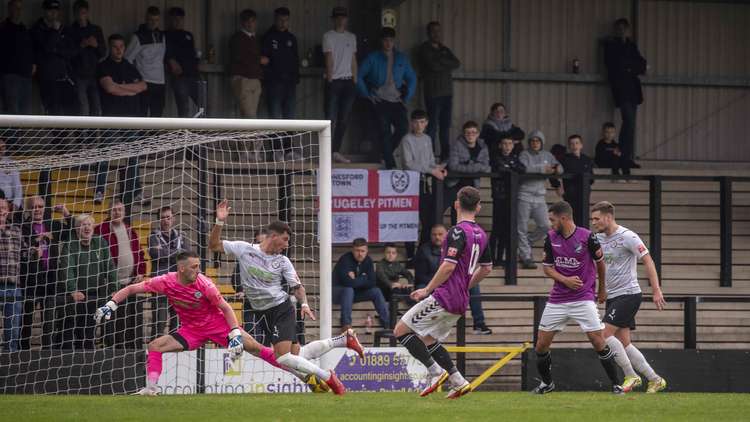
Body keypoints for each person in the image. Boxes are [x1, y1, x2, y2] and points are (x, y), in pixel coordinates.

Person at [210, 202, 362, 395]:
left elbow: (297, 287)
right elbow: (213, 245)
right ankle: (342, 340)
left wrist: (304, 303)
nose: (287, 245)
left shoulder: (283, 261)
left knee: (282, 358)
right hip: (259, 310)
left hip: (281, 309)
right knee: (297, 356)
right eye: (285, 239)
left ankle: (328, 377)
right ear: (273, 236)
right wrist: (219, 222)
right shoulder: (244, 249)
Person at [394, 186, 493, 399]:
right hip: (461, 299)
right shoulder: (482, 234)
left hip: (444, 296)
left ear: (456, 204)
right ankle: (459, 381)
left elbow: (448, 266)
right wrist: (465, 285)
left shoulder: (457, 232)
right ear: (478, 207)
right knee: (428, 338)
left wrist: (427, 289)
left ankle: (435, 371)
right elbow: (487, 267)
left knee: (400, 331)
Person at [532, 201, 622, 395]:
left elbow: (601, 264)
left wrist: (602, 289)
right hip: (558, 299)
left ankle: (616, 384)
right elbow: (547, 268)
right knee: (540, 345)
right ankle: (547, 384)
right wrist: (565, 279)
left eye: (552, 219)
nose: (550, 223)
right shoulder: (551, 238)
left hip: (583, 297)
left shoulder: (587, 237)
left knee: (598, 341)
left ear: (563, 218)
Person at [591, 201, 668, 394]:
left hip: (629, 294)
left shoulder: (628, 236)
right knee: (624, 344)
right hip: (613, 296)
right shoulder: (598, 239)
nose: (594, 223)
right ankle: (655, 379)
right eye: (593, 219)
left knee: (603, 335)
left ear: (608, 217)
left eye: (597, 219)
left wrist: (656, 289)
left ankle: (630, 376)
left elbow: (648, 261)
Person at [96, 34, 147, 205]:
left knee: (133, 155)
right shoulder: (103, 66)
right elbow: (110, 88)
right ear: (110, 48)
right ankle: (99, 189)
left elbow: (143, 86)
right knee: (106, 153)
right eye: (115, 47)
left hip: (131, 118)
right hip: (111, 117)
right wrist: (129, 89)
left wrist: (120, 87)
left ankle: (136, 191)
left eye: (121, 46)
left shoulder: (130, 66)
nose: (118, 50)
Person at [357, 27, 417, 169]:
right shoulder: (373, 57)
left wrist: (407, 97)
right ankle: (390, 164)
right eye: (385, 40)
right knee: (384, 131)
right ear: (381, 41)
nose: (388, 43)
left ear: (394, 41)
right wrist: (366, 94)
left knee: (403, 128)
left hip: (396, 100)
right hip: (380, 100)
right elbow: (358, 76)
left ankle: (385, 153)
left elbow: (412, 78)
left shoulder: (401, 58)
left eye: (391, 40)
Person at [20, 196, 73, 349]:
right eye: (34, 207)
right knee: (27, 317)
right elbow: (23, 247)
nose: (37, 209)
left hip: (50, 277)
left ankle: (46, 351)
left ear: (44, 208)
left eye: (40, 206)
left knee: (48, 319)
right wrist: (39, 239)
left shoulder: (52, 224)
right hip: (31, 278)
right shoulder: (23, 226)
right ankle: (23, 350)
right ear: (29, 209)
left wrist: (65, 212)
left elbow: (70, 231)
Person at [95, 200, 146, 349]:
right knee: (110, 318)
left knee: (127, 319)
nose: (117, 212)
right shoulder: (101, 229)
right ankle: (109, 347)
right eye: (114, 210)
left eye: (120, 210)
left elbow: (140, 254)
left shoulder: (130, 230)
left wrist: (141, 271)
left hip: (129, 283)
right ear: (108, 212)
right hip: (109, 283)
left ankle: (126, 349)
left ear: (124, 213)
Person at [60, 214, 117, 349]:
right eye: (82, 225)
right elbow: (67, 269)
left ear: (93, 227)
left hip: (94, 295)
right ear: (76, 229)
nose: (86, 228)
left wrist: (115, 287)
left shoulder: (100, 242)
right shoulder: (70, 245)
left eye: (89, 224)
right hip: (74, 297)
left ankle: (88, 360)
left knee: (89, 332)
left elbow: (110, 266)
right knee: (70, 331)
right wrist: (73, 290)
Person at [395, 109, 446, 257]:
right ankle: (410, 254)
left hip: (425, 184)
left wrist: (438, 168)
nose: (419, 125)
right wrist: (431, 171)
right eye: (416, 122)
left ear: (426, 123)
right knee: (411, 220)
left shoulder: (428, 139)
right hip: (410, 184)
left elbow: (430, 162)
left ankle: (422, 253)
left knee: (428, 220)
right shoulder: (406, 139)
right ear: (411, 123)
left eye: (422, 122)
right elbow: (408, 164)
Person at [604, 18, 646, 172]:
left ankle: (625, 157)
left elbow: (642, 64)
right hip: (622, 89)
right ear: (615, 30)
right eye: (618, 28)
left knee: (630, 125)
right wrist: (631, 67)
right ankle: (623, 157)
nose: (621, 31)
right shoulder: (611, 45)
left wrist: (630, 67)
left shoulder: (631, 45)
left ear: (627, 30)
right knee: (628, 122)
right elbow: (614, 65)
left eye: (624, 28)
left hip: (633, 90)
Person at [517, 130, 563, 269]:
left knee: (546, 225)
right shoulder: (524, 154)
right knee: (521, 228)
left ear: (541, 142)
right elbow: (524, 168)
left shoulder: (547, 155)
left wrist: (555, 169)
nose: (535, 143)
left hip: (540, 196)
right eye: (532, 141)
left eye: (538, 141)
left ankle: (526, 243)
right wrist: (543, 169)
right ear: (529, 142)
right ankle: (525, 256)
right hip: (524, 195)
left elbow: (559, 168)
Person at [416, 21, 460, 162]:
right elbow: (433, 65)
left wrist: (440, 60)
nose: (437, 34)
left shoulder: (444, 48)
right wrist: (443, 61)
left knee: (445, 126)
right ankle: (430, 155)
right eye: (434, 31)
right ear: (428, 33)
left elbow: (456, 63)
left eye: (438, 31)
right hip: (433, 93)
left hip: (447, 92)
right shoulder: (424, 48)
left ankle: (445, 156)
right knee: (432, 126)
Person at [148, 206, 190, 335]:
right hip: (160, 283)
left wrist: (166, 253)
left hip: (178, 283)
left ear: (173, 219)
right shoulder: (153, 236)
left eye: (168, 217)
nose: (166, 220)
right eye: (162, 218)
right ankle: (156, 350)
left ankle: (174, 349)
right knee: (159, 321)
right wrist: (176, 253)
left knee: (176, 319)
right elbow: (155, 254)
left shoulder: (181, 236)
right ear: (159, 220)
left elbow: (187, 255)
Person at [31, 0, 78, 116]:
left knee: (74, 110)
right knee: (54, 112)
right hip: (48, 79)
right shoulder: (37, 29)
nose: (53, 13)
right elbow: (47, 48)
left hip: (65, 77)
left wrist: (56, 51)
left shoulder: (65, 28)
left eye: (56, 11)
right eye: (50, 10)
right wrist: (55, 31)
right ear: (44, 11)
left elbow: (72, 51)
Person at [332, 238, 390, 331]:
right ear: (352, 250)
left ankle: (388, 324)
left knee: (376, 291)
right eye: (357, 251)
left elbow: (372, 282)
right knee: (348, 290)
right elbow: (347, 283)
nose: (360, 254)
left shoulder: (368, 261)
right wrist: (364, 278)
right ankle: (346, 325)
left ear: (367, 251)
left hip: (355, 294)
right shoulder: (345, 259)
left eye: (363, 251)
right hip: (337, 293)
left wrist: (357, 279)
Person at [323, 6, 357, 164]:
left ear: (346, 19)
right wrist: (330, 79)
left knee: (344, 119)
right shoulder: (328, 36)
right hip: (334, 81)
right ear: (333, 19)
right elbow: (328, 58)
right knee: (330, 118)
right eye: (337, 17)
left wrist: (355, 79)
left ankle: (335, 151)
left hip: (348, 81)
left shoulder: (351, 37)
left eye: (343, 17)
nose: (341, 19)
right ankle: (326, 151)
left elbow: (353, 59)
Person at [489, 136, 525, 267]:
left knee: (506, 229)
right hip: (499, 197)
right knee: (496, 228)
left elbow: (522, 169)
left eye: (510, 143)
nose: (507, 146)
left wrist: (509, 167)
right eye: (504, 143)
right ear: (500, 145)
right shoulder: (495, 157)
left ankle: (500, 257)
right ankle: (492, 257)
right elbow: (500, 169)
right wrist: (511, 168)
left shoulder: (515, 158)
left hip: (511, 197)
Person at [446, 121, 491, 224]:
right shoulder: (457, 145)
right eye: (468, 133)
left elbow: (487, 167)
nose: (471, 135)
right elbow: (453, 166)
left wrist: (467, 165)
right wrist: (476, 166)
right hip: (456, 184)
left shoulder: (483, 146)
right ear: (463, 133)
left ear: (478, 134)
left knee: (470, 214)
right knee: (456, 213)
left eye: (473, 132)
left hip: (473, 185)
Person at [125, 6, 166, 117]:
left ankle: (155, 135)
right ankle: (143, 135)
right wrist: (136, 78)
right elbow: (127, 59)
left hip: (160, 82)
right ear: (145, 19)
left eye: (156, 20)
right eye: (151, 20)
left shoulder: (162, 36)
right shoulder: (138, 36)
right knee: (142, 115)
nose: (153, 23)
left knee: (157, 116)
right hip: (144, 82)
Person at [229, 9, 266, 121]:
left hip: (255, 79)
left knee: (251, 113)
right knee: (249, 115)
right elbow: (239, 56)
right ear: (242, 22)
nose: (250, 24)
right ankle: (254, 139)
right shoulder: (237, 38)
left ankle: (248, 138)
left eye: (253, 21)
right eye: (247, 21)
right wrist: (258, 59)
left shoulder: (256, 39)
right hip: (242, 79)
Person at [69, 0, 105, 116]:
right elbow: (67, 55)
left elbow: (103, 52)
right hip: (78, 75)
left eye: (84, 13)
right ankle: (83, 135)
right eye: (79, 13)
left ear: (87, 13)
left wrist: (96, 46)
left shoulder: (95, 30)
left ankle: (96, 134)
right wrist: (81, 46)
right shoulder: (70, 30)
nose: (81, 16)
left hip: (94, 74)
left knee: (97, 107)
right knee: (83, 108)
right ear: (74, 14)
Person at [164, 7, 200, 118]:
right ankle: (183, 134)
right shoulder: (165, 35)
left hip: (194, 75)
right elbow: (163, 53)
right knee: (184, 108)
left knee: (204, 104)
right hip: (180, 77)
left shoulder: (188, 35)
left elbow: (193, 53)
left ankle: (204, 132)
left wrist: (198, 61)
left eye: (180, 19)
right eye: (174, 19)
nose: (177, 21)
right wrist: (170, 60)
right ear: (170, 20)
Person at [0, 0, 34, 114]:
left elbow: (29, 49)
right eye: (15, 8)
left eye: (20, 9)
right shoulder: (3, 28)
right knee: (12, 110)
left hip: (26, 76)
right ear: (9, 9)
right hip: (10, 76)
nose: (18, 11)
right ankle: (11, 132)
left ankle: (21, 133)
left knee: (25, 111)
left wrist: (33, 64)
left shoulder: (23, 29)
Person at [553, 135, 594, 227]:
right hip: (570, 193)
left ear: (581, 145)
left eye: (577, 143)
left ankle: (583, 239)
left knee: (583, 217)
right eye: (572, 144)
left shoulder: (586, 159)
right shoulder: (564, 159)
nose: (574, 146)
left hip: (584, 193)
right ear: (569, 146)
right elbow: (554, 173)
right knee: (571, 218)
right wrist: (557, 186)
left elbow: (591, 177)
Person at [0, 198, 22, 352]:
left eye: (3, 207)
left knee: (12, 331)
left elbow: (25, 252)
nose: (1, 210)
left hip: (13, 286)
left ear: (8, 211)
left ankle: (10, 368)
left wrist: (36, 251)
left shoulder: (16, 230)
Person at [413, 224, 447, 290]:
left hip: (448, 284)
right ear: (430, 236)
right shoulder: (423, 250)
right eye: (434, 234)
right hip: (428, 284)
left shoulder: (453, 249)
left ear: (446, 235)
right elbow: (420, 276)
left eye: (440, 234)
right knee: (421, 288)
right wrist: (437, 284)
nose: (437, 237)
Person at [0, 138, 23, 218]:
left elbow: (18, 187)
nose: (1, 150)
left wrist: (14, 205)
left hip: (10, 203)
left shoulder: (11, 163)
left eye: (3, 147)